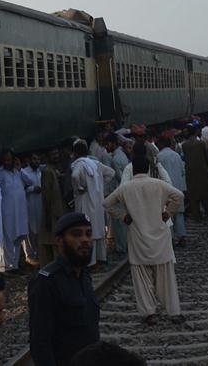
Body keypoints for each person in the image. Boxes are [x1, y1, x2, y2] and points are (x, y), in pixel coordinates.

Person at [104, 156, 185, 325]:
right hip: (160, 237)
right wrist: (168, 213)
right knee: (166, 275)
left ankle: (149, 313)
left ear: (133, 170)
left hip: (137, 237)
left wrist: (123, 216)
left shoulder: (125, 188)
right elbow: (178, 196)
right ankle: (173, 311)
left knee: (141, 277)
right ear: (148, 168)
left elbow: (107, 204)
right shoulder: (158, 184)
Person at [28, 212, 100, 365]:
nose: (85, 240)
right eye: (76, 235)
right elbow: (40, 342)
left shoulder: (84, 275)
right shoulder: (46, 281)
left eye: (88, 234)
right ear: (60, 241)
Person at [70, 140, 115, 267]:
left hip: (86, 202)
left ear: (75, 153)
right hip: (98, 202)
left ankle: (91, 261)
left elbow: (74, 176)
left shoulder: (79, 164)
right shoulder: (95, 164)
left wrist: (79, 187)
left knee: (89, 231)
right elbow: (111, 173)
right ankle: (102, 258)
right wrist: (100, 185)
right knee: (99, 231)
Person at [38, 148, 68, 266]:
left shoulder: (54, 170)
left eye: (56, 153)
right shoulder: (47, 171)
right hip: (52, 213)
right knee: (53, 241)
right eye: (52, 154)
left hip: (57, 212)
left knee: (55, 240)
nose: (55, 156)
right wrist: (47, 217)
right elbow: (46, 196)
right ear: (47, 156)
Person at [156, 136, 187, 247]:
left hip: (165, 189)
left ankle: (171, 238)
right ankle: (182, 236)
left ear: (161, 144)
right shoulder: (176, 155)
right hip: (178, 188)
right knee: (179, 213)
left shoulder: (159, 156)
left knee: (167, 214)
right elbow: (183, 171)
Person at [181, 127, 208, 221]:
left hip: (190, 173)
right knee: (207, 195)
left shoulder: (184, 145)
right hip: (202, 172)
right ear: (196, 132)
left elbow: (184, 159)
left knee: (193, 196)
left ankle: (197, 216)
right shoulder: (201, 143)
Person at [21, 156, 43, 264]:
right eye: (34, 159)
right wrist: (32, 189)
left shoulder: (40, 172)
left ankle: (39, 253)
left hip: (39, 204)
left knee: (38, 229)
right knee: (28, 231)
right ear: (29, 160)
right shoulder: (24, 173)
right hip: (28, 205)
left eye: (38, 159)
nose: (36, 161)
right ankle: (29, 255)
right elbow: (20, 190)